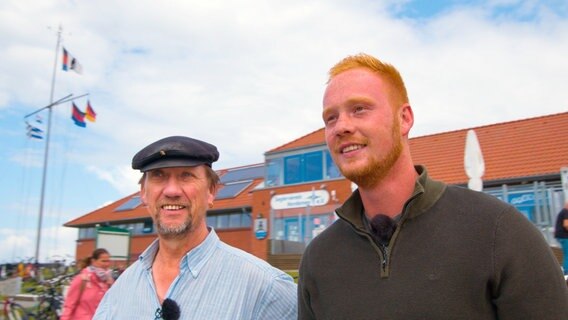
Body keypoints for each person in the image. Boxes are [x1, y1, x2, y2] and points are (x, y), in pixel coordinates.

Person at [298, 53, 568, 319]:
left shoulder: (498, 231)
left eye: (359, 109)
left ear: (404, 118)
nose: (341, 126)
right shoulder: (318, 260)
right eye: (330, 118)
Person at [94, 136, 297, 320]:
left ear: (211, 191)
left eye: (186, 175)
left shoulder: (265, 288)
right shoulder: (119, 291)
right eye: (158, 175)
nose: (172, 190)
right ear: (144, 193)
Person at [61, 248, 114, 320]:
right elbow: (69, 305)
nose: (107, 264)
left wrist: (111, 286)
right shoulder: (82, 279)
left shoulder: (108, 281)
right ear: (93, 261)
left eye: (108, 261)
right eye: (103, 261)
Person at [555, 203, 568, 275]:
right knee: (567, 254)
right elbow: (566, 225)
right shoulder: (566, 212)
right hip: (564, 236)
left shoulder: (563, 211)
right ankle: (566, 271)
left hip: (561, 236)